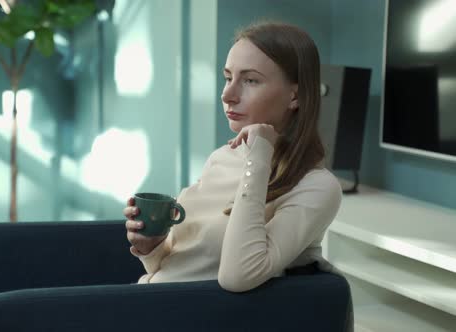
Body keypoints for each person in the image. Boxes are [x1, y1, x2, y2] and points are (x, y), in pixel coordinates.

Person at [124, 21, 345, 293]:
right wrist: (152, 248)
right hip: (148, 299)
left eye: (250, 80)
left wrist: (260, 155)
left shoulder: (316, 187)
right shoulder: (221, 158)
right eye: (228, 78)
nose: (227, 95)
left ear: (294, 96)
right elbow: (180, 268)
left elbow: (237, 277)